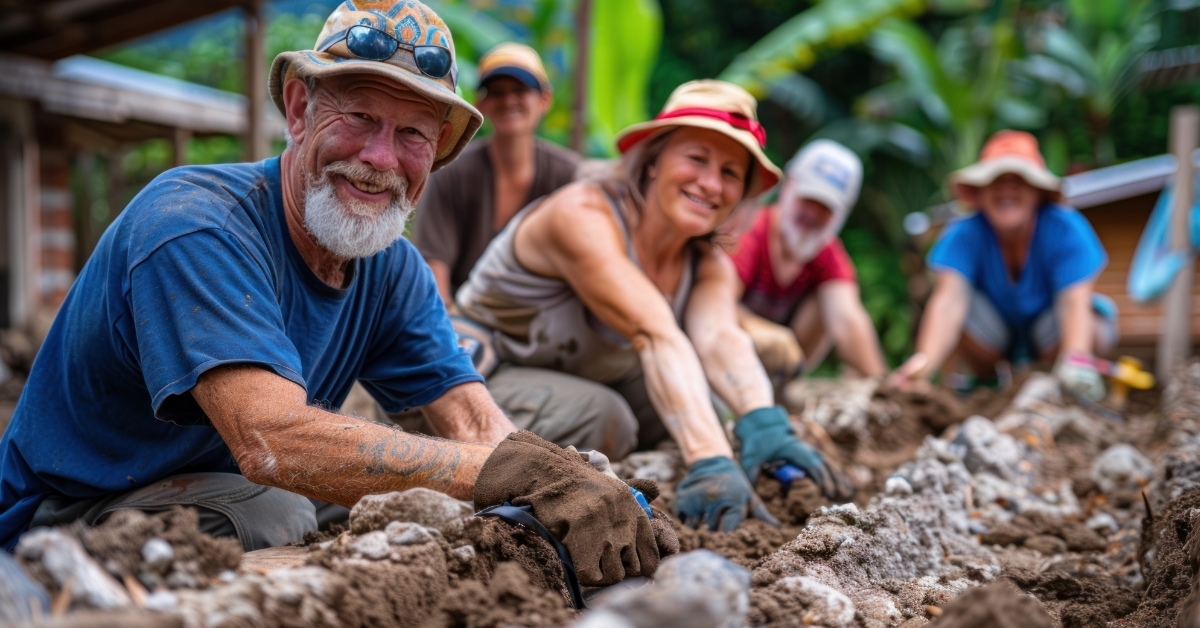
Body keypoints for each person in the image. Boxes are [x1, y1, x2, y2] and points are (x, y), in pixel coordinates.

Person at [0, 1, 673, 585]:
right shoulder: (193, 222)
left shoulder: (393, 268)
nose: (381, 159)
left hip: (223, 478)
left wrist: (561, 482)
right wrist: (507, 475)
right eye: (359, 116)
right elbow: (273, 441)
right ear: (299, 108)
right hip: (70, 511)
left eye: (412, 133)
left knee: (404, 496)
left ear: (435, 152)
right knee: (280, 510)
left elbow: (474, 425)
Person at [458, 80, 849, 532]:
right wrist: (709, 459)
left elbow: (720, 339)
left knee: (700, 402)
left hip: (572, 377)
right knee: (606, 416)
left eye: (729, 173)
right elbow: (655, 332)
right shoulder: (581, 214)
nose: (710, 183)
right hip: (468, 384)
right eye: (696, 159)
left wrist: (763, 420)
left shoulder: (707, 264)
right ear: (652, 162)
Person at [889, 130, 1117, 399]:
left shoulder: (1065, 228)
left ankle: (1061, 377)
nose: (1007, 189)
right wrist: (922, 366)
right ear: (981, 193)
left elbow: (1073, 302)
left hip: (1052, 336)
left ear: (1037, 191)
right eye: (996, 181)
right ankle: (974, 389)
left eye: (1018, 181)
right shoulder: (964, 233)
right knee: (956, 310)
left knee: (1096, 322)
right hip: (994, 342)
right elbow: (948, 303)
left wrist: (1075, 363)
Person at [412, 42, 580, 309]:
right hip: (467, 313)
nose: (509, 100)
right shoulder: (451, 172)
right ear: (481, 103)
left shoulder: (570, 175)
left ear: (544, 100)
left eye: (520, 90)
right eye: (497, 92)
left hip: (547, 318)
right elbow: (435, 264)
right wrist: (448, 328)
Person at [731, 140, 886, 380]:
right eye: (808, 199)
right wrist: (755, 328)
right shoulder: (751, 232)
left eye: (825, 207)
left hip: (782, 367)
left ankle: (784, 386)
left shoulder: (826, 252)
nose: (812, 213)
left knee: (830, 303)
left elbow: (848, 319)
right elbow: (713, 301)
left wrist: (884, 386)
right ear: (789, 186)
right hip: (728, 351)